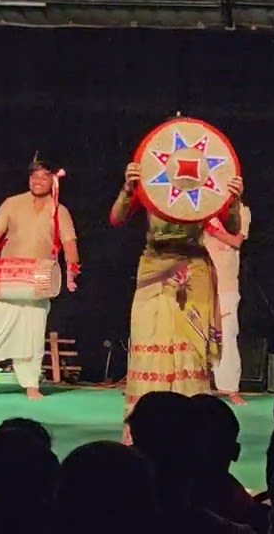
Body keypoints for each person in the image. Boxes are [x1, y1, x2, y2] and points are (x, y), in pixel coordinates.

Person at [110, 159, 244, 420]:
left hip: (193, 270)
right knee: (150, 341)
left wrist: (235, 199)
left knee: (190, 349)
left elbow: (233, 227)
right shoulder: (150, 181)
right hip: (154, 269)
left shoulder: (207, 184)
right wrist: (127, 189)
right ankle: (146, 423)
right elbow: (117, 218)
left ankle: (189, 422)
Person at [0, 154, 80, 399]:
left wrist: (71, 273)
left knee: (32, 332)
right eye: (34, 176)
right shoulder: (12, 203)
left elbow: (69, 244)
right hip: (7, 277)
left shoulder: (59, 211)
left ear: (53, 181)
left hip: (37, 280)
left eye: (44, 177)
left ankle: (31, 385)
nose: (37, 181)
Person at [203, 202, 250, 405]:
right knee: (200, 335)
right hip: (203, 284)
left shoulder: (242, 211)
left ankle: (230, 388)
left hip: (228, 285)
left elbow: (236, 241)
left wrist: (212, 229)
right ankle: (199, 385)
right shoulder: (205, 209)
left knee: (228, 336)